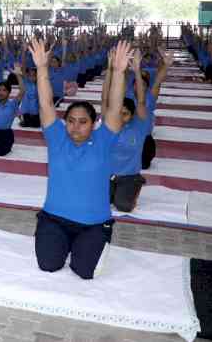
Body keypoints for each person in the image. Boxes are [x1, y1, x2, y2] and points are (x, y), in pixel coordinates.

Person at [30, 38, 129, 280]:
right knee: (48, 266)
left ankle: (86, 246)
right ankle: (62, 243)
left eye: (83, 122)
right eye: (71, 121)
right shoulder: (56, 138)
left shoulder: (104, 140)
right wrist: (42, 68)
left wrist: (117, 72)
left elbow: (114, 108)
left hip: (93, 224)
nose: (76, 127)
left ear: (94, 124)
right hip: (54, 219)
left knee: (84, 272)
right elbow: (45, 103)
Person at [102, 50, 150, 213]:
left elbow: (142, 101)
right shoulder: (109, 124)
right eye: (118, 113)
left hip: (129, 176)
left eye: (125, 114)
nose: (120, 117)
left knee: (123, 206)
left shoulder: (139, 126)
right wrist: (111, 69)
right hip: (108, 175)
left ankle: (137, 184)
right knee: (100, 201)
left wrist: (136, 70)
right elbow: (105, 98)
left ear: (132, 115)